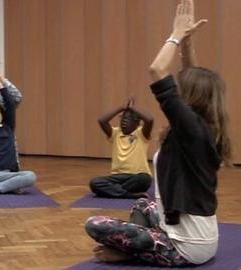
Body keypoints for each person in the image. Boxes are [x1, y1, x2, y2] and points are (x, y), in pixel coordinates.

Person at [84, 0, 232, 267]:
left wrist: (175, 35)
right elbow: (190, 75)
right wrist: (187, 43)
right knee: (143, 204)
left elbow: (156, 71)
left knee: (94, 224)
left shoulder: (192, 128)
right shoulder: (204, 126)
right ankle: (139, 247)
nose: (179, 85)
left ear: (191, 97)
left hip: (187, 247)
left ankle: (134, 252)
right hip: (199, 238)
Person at [89, 96, 153, 199]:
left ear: (136, 123)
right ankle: (129, 195)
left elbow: (149, 120)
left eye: (127, 119)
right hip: (117, 177)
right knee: (94, 183)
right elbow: (101, 120)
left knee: (145, 179)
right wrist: (121, 108)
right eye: (122, 119)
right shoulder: (115, 133)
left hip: (136, 177)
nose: (123, 121)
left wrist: (132, 108)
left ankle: (112, 190)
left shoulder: (141, 134)